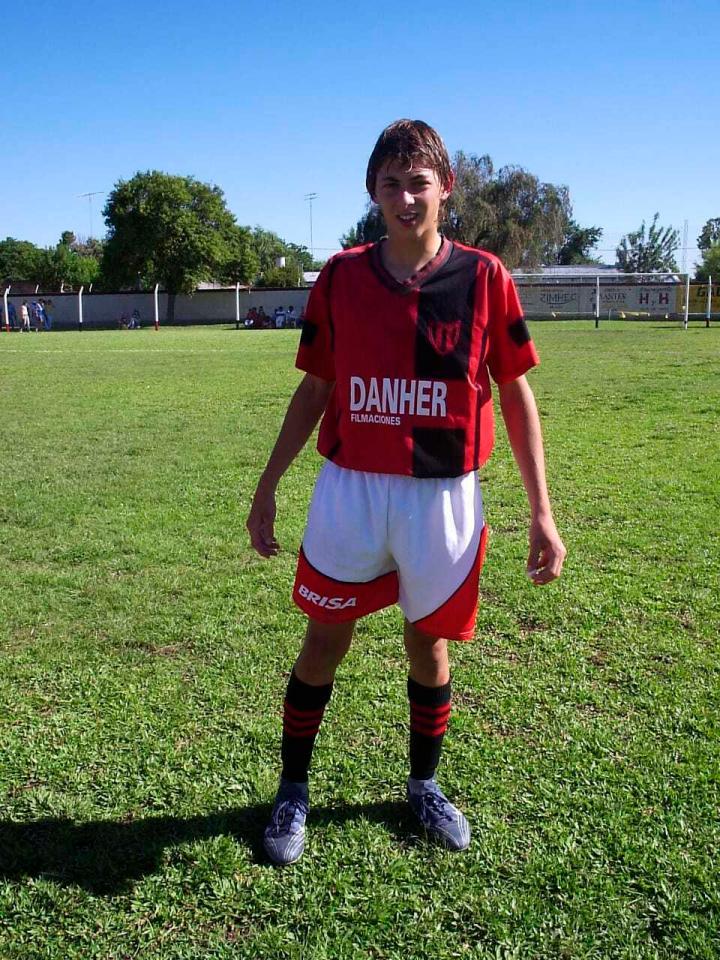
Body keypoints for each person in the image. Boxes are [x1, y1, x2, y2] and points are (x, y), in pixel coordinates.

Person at [246, 119, 566, 865]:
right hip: (351, 490)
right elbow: (316, 386)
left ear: (446, 189)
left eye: (418, 182)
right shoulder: (341, 275)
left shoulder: (485, 276)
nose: (405, 197)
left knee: (428, 646)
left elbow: (515, 396)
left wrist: (543, 513)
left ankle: (422, 785)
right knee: (324, 641)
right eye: (390, 184)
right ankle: (293, 790)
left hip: (442, 495)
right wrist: (268, 483)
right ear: (373, 193)